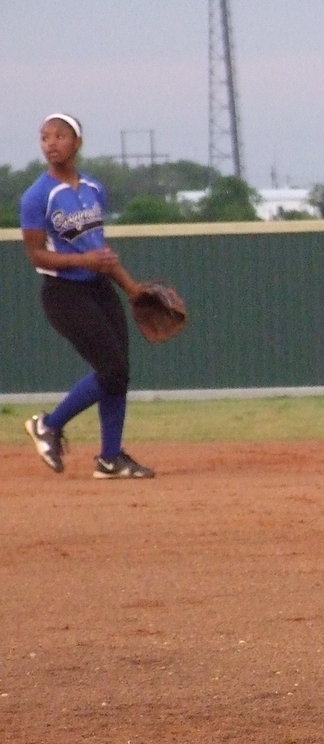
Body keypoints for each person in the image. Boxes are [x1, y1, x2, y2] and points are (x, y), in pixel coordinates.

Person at [19, 113, 155, 479]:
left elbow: (100, 249)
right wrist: (85, 260)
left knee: (118, 374)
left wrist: (131, 287)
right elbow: (36, 255)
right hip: (64, 293)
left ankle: (111, 459)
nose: (51, 143)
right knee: (111, 370)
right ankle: (48, 423)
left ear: (77, 143)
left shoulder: (93, 188)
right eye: (45, 137)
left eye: (59, 136)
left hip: (99, 287)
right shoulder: (37, 196)